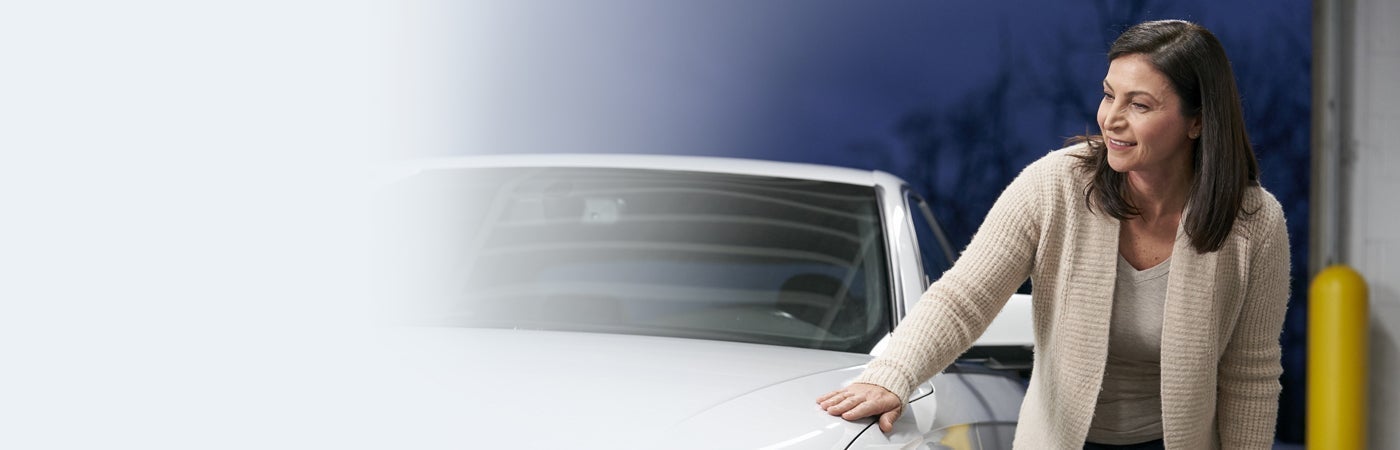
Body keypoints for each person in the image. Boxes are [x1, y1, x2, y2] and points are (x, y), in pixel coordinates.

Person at [816, 20, 1290, 450]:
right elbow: (964, 296)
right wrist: (892, 376)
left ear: (1198, 121)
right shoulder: (1056, 184)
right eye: (1109, 95)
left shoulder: (1254, 223)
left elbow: (1250, 374)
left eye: (1140, 104)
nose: (1112, 119)